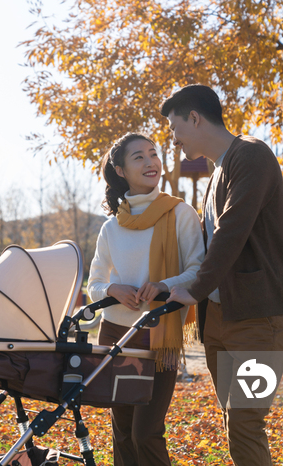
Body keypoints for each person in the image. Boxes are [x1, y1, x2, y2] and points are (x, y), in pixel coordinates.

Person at [162, 84, 283, 466]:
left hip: (260, 316)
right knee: (235, 421)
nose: (174, 141)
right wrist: (173, 285)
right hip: (220, 320)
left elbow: (232, 230)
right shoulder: (216, 174)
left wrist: (195, 288)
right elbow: (207, 246)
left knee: (244, 420)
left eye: (175, 129)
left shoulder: (251, 155)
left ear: (194, 118)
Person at [87, 132, 204, 466]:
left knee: (146, 433)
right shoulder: (111, 227)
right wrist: (113, 290)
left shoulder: (180, 214)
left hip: (159, 335)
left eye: (154, 154)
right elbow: (94, 283)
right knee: (122, 431)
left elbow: (198, 271)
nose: (151, 162)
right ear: (121, 170)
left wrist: (163, 285)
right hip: (114, 335)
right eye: (139, 157)